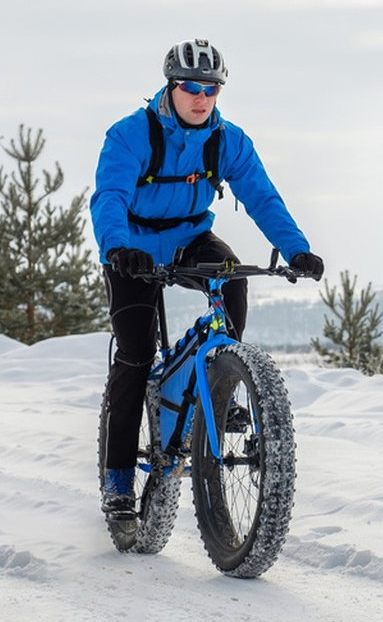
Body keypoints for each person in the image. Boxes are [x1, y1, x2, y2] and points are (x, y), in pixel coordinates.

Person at [90, 38, 324, 524]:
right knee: (135, 353)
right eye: (191, 87)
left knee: (233, 278)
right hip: (131, 246)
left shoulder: (227, 140)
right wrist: (117, 248)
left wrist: (297, 247)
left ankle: (221, 385)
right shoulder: (131, 135)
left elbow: (262, 196)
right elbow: (109, 194)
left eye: (211, 89)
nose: (201, 98)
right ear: (170, 86)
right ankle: (117, 479)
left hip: (188, 237)